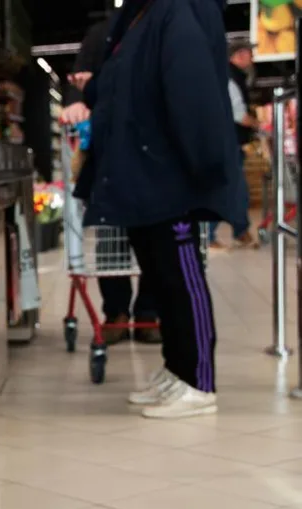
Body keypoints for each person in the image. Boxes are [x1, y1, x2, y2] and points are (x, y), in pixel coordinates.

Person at [75, 0, 238, 418]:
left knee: (182, 278)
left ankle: (199, 382)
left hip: (169, 173)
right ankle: (177, 368)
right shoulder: (139, 15)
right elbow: (123, 84)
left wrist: (205, 167)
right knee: (162, 276)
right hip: (143, 172)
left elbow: (192, 89)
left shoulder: (177, 9)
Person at [63, 18, 161, 344]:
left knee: (153, 238)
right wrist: (78, 96)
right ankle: (116, 312)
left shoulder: (163, 25)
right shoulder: (100, 33)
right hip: (108, 151)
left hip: (152, 151)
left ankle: (148, 311)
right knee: (111, 238)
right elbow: (77, 81)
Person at [210, 41, 260, 249]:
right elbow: (239, 114)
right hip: (226, 144)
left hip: (225, 143)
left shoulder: (229, 76)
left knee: (231, 189)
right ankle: (234, 231)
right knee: (234, 189)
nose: (251, 58)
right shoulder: (230, 78)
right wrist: (261, 125)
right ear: (238, 55)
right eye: (249, 53)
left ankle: (237, 230)